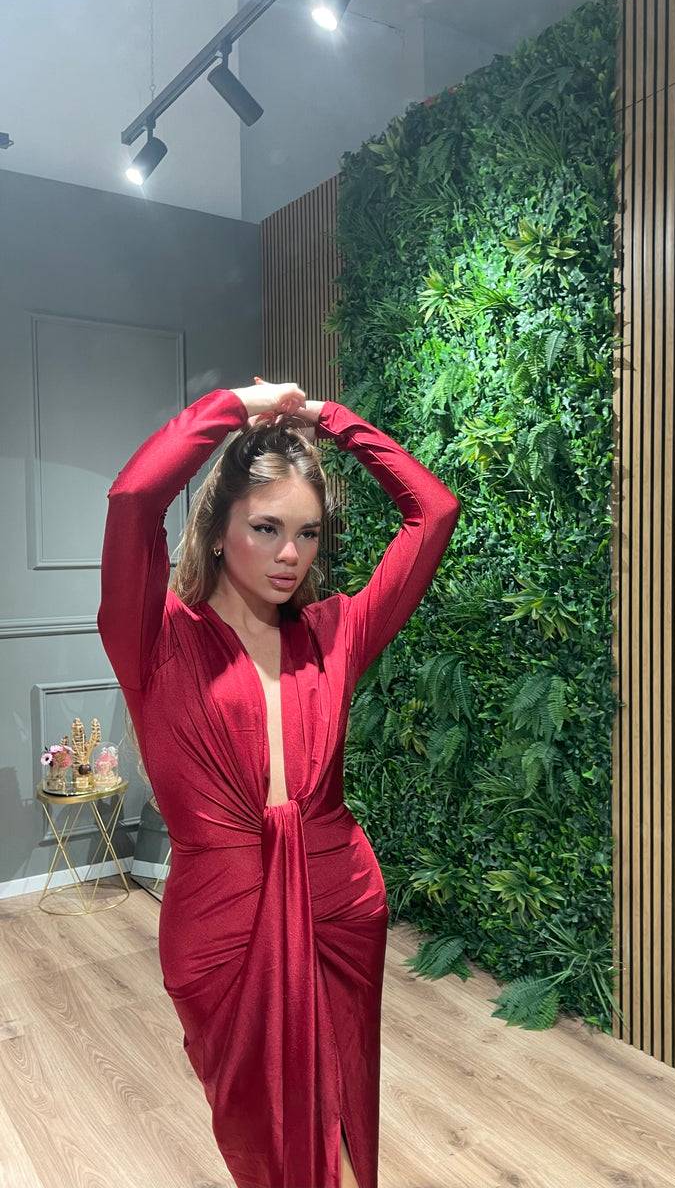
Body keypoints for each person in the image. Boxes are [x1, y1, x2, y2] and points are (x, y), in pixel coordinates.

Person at [97, 379, 460, 1188]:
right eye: (266, 528)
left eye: (307, 533)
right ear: (218, 531)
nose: (291, 555)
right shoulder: (153, 638)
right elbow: (133, 500)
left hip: (339, 903)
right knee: (261, 1143)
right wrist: (233, 405)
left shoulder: (337, 632)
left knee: (340, 1123)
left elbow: (433, 513)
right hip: (222, 923)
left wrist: (332, 420)